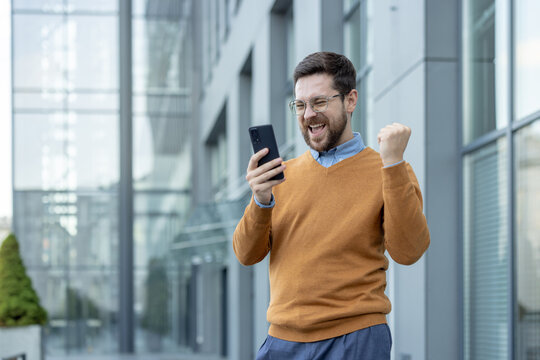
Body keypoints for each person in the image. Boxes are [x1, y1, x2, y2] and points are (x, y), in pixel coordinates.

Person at [233, 51, 430, 360]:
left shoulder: (389, 169)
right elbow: (246, 254)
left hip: (356, 339)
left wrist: (393, 164)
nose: (308, 113)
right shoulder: (281, 176)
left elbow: (409, 251)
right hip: (282, 340)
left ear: (350, 100)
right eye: (300, 105)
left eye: (319, 102)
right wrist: (260, 200)